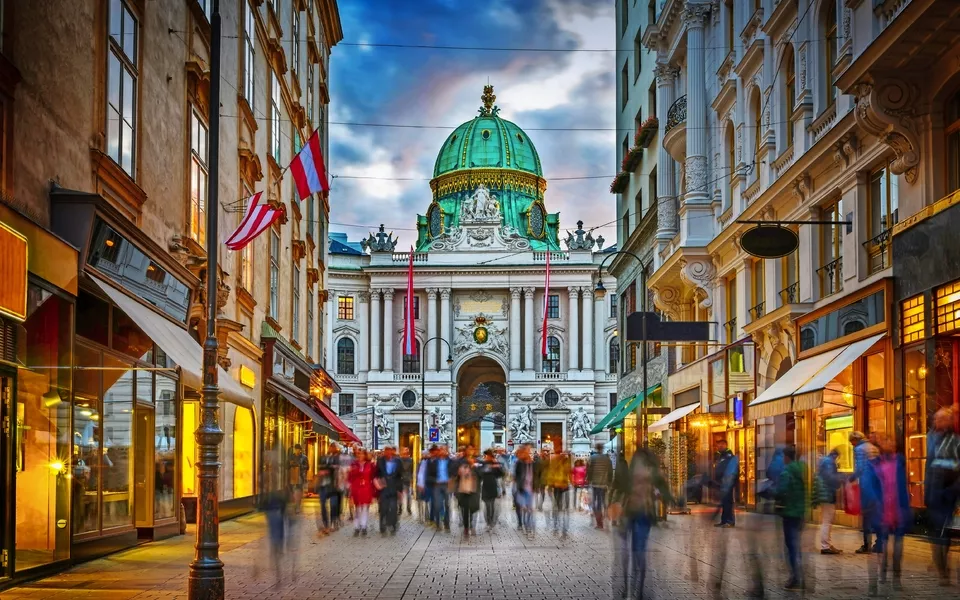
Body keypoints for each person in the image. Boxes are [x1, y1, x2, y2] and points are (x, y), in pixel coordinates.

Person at [609, 447, 672, 600]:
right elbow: (617, 488)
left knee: (634, 553)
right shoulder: (643, 474)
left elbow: (665, 493)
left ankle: (634, 587)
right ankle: (633, 588)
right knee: (633, 553)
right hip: (633, 514)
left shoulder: (644, 474)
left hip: (639, 514)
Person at [925, 407, 959, 586]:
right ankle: (941, 567)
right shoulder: (932, 438)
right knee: (937, 533)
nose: (938, 423)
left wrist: (953, 490)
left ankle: (943, 570)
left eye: (942, 419)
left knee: (943, 533)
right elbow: (928, 467)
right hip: (934, 492)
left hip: (947, 493)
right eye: (936, 420)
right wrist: (926, 491)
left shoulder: (955, 441)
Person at [872, 435, 911, 593]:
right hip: (883, 508)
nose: (890, 445)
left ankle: (896, 577)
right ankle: (883, 570)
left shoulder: (900, 461)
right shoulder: (876, 463)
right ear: (881, 445)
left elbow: (903, 485)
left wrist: (906, 506)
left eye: (892, 442)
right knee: (884, 542)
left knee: (898, 545)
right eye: (886, 442)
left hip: (898, 507)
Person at [775, 445, 807, 591]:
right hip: (800, 511)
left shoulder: (786, 472)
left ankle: (795, 576)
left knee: (791, 545)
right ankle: (798, 572)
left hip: (790, 512)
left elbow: (781, 491)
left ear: (786, 457)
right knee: (795, 544)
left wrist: (768, 492)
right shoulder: (801, 468)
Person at [849, 431, 881, 553]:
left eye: (851, 442)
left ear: (855, 440)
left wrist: (852, 477)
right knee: (876, 515)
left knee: (866, 516)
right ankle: (880, 544)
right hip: (877, 485)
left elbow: (860, 467)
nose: (852, 445)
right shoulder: (873, 448)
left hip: (867, 485)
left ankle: (867, 545)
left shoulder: (859, 449)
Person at [816, 448, 843, 554]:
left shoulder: (825, 461)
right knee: (827, 521)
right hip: (828, 495)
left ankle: (827, 544)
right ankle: (825, 546)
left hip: (825, 494)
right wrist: (840, 479)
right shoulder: (829, 462)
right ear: (835, 455)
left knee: (826, 520)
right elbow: (830, 478)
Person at [375, 445, 403, 536]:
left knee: (393, 508)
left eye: (390, 450)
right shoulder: (380, 461)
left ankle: (393, 525)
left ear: (392, 451)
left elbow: (400, 477)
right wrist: (378, 487)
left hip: (394, 488)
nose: (388, 452)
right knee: (383, 509)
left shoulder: (398, 461)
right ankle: (382, 527)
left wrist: (400, 490)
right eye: (386, 450)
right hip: (383, 488)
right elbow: (376, 474)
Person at [348, 449, 376, 536]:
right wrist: (349, 488)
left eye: (362, 454)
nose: (360, 456)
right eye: (358, 454)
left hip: (366, 488)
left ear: (365, 455)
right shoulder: (353, 464)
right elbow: (350, 477)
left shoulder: (370, 465)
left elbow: (373, 477)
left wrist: (375, 491)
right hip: (356, 488)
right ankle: (356, 527)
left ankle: (364, 526)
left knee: (365, 508)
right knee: (357, 508)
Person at [454, 445, 481, 536]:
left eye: (472, 449)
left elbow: (481, 475)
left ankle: (472, 526)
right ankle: (466, 527)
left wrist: (474, 466)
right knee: (465, 509)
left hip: (474, 489)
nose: (470, 451)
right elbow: (455, 473)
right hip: (463, 488)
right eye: (468, 449)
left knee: (474, 508)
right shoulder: (460, 461)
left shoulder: (478, 461)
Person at [315, 445, 341, 535]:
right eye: (330, 448)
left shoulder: (336, 459)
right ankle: (326, 525)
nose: (331, 449)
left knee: (333, 505)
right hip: (322, 485)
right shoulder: (321, 458)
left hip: (332, 486)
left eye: (333, 448)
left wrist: (328, 470)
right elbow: (319, 468)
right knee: (322, 505)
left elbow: (336, 469)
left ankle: (333, 521)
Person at [713, 439, 739, 527]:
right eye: (718, 445)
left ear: (725, 445)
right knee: (724, 502)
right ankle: (724, 521)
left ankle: (730, 521)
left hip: (728, 483)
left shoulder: (729, 456)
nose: (719, 447)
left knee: (728, 502)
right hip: (721, 483)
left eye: (721, 445)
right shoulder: (721, 456)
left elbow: (733, 470)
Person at [425, 445, 451, 531]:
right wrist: (435, 480)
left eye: (444, 450)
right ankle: (437, 523)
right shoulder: (433, 462)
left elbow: (454, 472)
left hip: (447, 485)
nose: (443, 451)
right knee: (437, 504)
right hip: (437, 485)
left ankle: (446, 524)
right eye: (441, 450)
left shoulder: (450, 461)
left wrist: (451, 479)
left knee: (447, 505)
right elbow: (428, 475)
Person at [587, 443, 613, 529]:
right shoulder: (607, 459)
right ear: (602, 448)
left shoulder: (592, 458)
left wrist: (589, 480)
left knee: (596, 503)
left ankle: (599, 523)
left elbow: (589, 470)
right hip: (604, 484)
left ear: (596, 448)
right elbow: (610, 472)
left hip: (595, 484)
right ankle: (606, 517)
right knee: (603, 501)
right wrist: (609, 482)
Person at [547, 450, 572, 537]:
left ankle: (563, 528)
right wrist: (550, 485)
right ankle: (556, 527)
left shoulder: (566, 463)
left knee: (562, 508)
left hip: (564, 487)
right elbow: (551, 474)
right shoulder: (555, 463)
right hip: (558, 487)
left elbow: (569, 473)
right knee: (557, 508)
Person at [479, 449, 504, 530]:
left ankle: (491, 522)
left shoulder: (495, 463)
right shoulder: (483, 463)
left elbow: (501, 474)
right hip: (485, 486)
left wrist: (496, 465)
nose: (486, 457)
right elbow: (480, 473)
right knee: (487, 505)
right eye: (486, 455)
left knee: (492, 505)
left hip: (493, 486)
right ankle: (488, 521)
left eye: (488, 455)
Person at [514, 444, 535, 535]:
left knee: (529, 508)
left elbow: (536, 474)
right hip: (521, 487)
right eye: (527, 450)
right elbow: (516, 475)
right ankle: (520, 522)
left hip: (530, 488)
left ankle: (527, 525)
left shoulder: (532, 462)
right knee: (522, 507)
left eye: (529, 450)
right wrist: (518, 485)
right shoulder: (519, 463)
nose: (528, 452)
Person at [287, 444, 309, 514]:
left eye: (298, 449)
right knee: (293, 491)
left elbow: (307, 467)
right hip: (292, 476)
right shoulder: (291, 457)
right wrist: (290, 464)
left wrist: (301, 466)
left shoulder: (304, 457)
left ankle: (297, 506)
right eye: (295, 449)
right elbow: (286, 466)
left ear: (300, 450)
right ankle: (296, 504)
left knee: (299, 491)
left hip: (300, 476)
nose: (296, 451)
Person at [399, 446, 414, 516]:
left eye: (406, 452)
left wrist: (411, 479)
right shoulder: (399, 460)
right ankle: (400, 509)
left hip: (407, 479)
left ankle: (409, 509)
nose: (405, 453)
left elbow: (411, 470)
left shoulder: (410, 460)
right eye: (404, 452)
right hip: (401, 479)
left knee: (408, 496)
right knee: (400, 496)